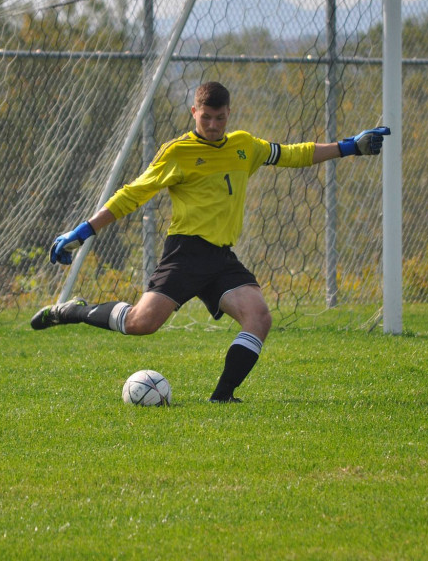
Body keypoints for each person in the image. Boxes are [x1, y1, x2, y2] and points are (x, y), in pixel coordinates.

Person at [31, 81, 389, 403]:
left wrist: (349, 147)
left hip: (221, 257)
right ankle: (71, 310)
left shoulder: (244, 146)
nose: (214, 126)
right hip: (185, 253)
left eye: (220, 118)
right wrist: (83, 231)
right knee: (141, 324)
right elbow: (132, 195)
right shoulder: (177, 152)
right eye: (206, 119)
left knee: (259, 316)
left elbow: (293, 154)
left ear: (228, 113)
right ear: (194, 113)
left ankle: (222, 398)